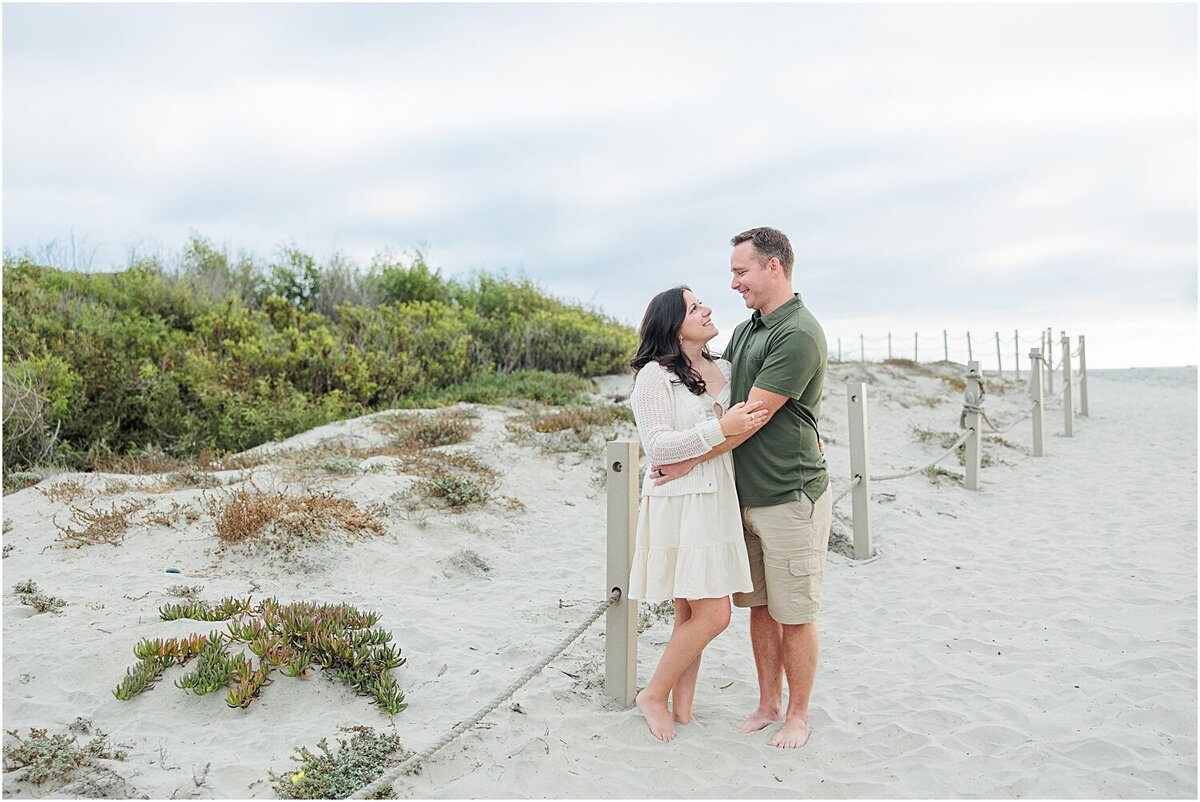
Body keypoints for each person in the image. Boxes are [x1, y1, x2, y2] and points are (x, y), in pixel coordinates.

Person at [652, 227, 831, 750]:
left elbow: (750, 416)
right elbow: (714, 391)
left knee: (794, 613)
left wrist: (686, 463)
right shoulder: (752, 327)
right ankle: (766, 703)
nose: (733, 283)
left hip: (789, 492)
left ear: (773, 267)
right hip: (743, 494)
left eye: (740, 271)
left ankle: (797, 715)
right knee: (758, 608)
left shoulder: (796, 333)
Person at [627, 285, 768, 743]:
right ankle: (653, 694)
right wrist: (718, 427)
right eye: (693, 307)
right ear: (673, 324)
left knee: (690, 609)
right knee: (714, 615)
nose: (706, 309)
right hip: (679, 499)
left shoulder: (724, 366)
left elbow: (758, 415)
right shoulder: (654, 376)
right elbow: (658, 447)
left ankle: (682, 708)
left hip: (717, 494)